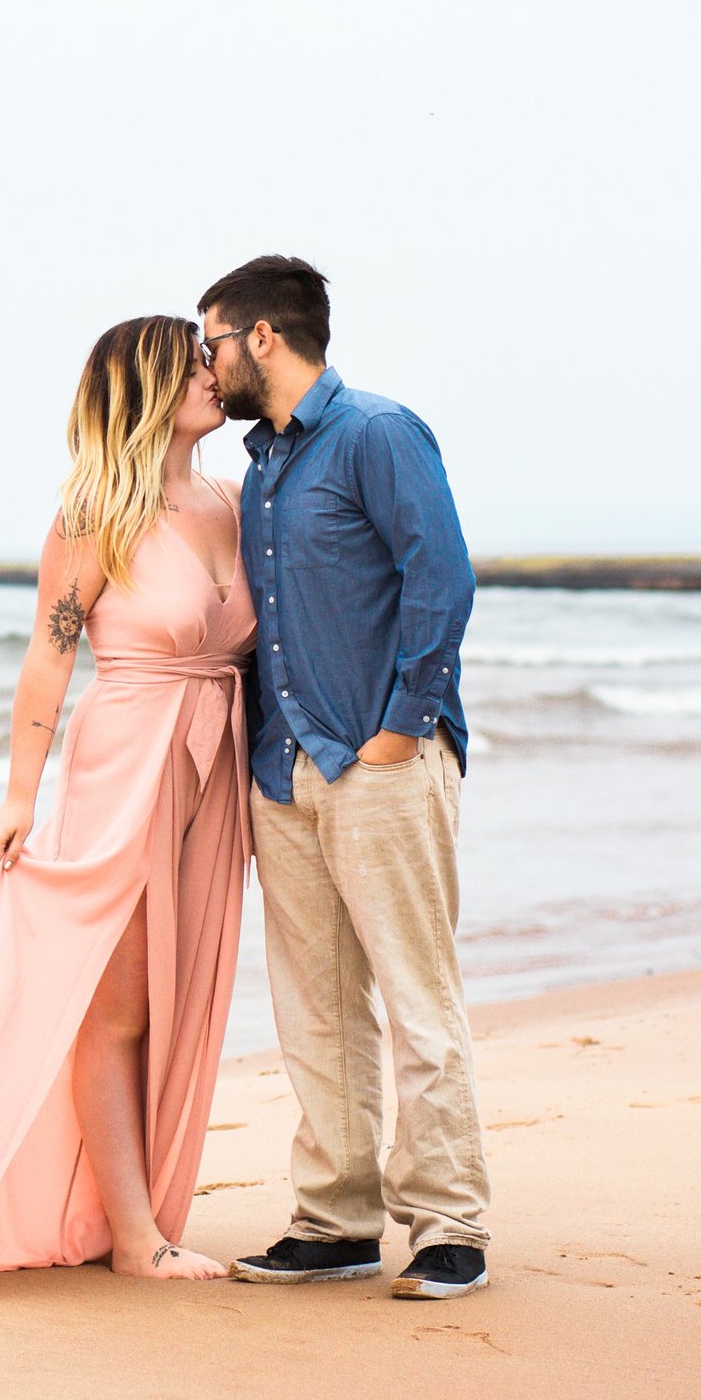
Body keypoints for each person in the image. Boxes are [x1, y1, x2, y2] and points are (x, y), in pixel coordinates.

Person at [0, 315, 256, 1295]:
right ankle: (134, 1233)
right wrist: (15, 796)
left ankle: (127, 1207)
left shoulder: (232, 499)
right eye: (195, 365)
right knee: (114, 1005)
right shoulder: (93, 517)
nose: (216, 377)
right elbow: (48, 656)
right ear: (148, 387)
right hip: (123, 766)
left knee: (181, 1000)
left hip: (215, 770)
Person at [199, 255, 492, 1301]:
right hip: (283, 773)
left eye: (212, 341)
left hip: (380, 762)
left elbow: (441, 573)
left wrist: (401, 727)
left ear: (262, 339)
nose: (207, 361)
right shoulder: (262, 467)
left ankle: (451, 1222)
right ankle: (337, 1220)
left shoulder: (375, 431)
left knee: (415, 996)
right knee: (314, 1009)